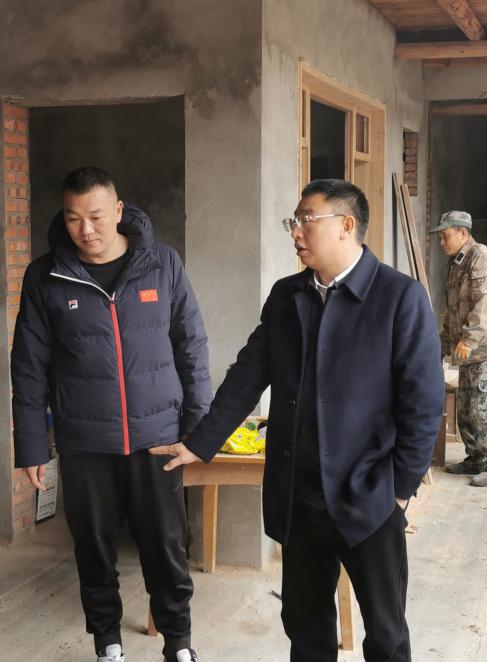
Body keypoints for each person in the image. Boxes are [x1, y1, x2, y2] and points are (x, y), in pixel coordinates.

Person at [150, 179, 444, 662]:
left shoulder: (398, 298)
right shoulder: (288, 296)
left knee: (386, 632)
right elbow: (249, 373)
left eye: (307, 220)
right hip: (300, 494)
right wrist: (201, 442)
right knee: (306, 629)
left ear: (346, 225)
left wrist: (398, 490)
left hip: (368, 494)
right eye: (295, 220)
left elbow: (424, 404)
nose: (295, 232)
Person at [11, 167, 211, 662]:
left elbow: (191, 347)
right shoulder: (45, 276)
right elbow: (29, 368)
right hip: (84, 442)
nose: (85, 230)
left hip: (158, 437)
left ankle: (179, 644)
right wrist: (32, 445)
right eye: (73, 218)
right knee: (94, 547)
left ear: (118, 211)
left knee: (166, 547)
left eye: (97, 216)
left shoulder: (162, 264)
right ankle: (107, 643)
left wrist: (198, 431)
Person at [431, 210, 487, 487]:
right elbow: (452, 311)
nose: (441, 242)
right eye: (440, 237)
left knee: (483, 409)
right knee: (466, 409)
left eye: (445, 236)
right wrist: (443, 344)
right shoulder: (456, 263)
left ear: (463, 233)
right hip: (470, 351)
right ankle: (477, 458)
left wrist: (468, 340)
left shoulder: (480, 256)